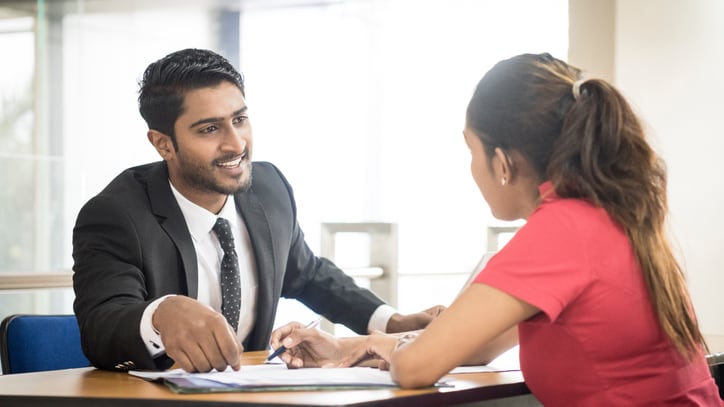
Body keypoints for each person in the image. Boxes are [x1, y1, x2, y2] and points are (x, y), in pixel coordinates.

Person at [270, 53, 722, 405]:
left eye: (471, 150)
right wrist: (351, 348)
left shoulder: (558, 232)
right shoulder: (605, 216)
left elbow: (417, 368)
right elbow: (478, 347)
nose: (471, 167)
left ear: (504, 163)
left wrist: (384, 350)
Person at [72, 48, 443, 374]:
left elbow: (309, 275)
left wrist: (392, 322)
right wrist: (160, 315)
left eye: (239, 119)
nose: (235, 144)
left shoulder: (269, 188)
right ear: (163, 144)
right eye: (209, 129)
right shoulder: (116, 215)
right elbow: (101, 326)